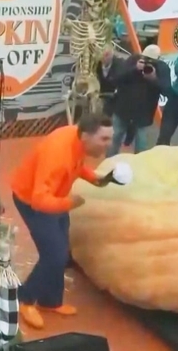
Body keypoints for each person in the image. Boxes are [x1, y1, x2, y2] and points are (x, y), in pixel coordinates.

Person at [11, 114, 114, 329]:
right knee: (54, 255)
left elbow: (76, 166)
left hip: (55, 198)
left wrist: (96, 178)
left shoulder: (76, 140)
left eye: (109, 138)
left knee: (61, 251)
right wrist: (70, 203)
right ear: (86, 135)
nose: (109, 144)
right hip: (32, 201)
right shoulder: (58, 155)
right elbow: (39, 200)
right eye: (104, 139)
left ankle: (50, 301)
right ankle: (24, 299)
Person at [108, 44, 171, 156]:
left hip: (143, 114)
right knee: (115, 138)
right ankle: (109, 162)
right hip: (123, 109)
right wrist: (134, 69)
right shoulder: (133, 60)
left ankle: (139, 168)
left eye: (152, 60)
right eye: (146, 59)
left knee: (141, 145)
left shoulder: (162, 67)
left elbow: (167, 91)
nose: (148, 63)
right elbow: (116, 79)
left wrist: (154, 79)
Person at [95, 43, 120, 118]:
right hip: (100, 96)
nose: (104, 58)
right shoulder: (96, 64)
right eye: (102, 55)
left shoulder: (120, 64)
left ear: (111, 55)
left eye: (107, 55)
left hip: (114, 98)